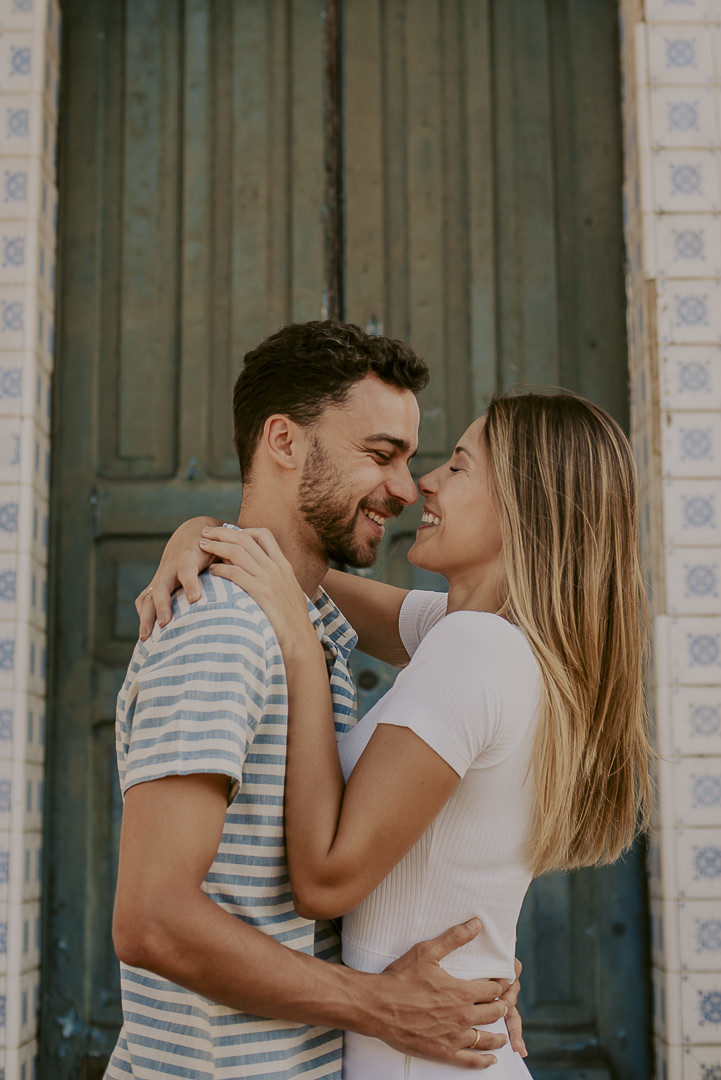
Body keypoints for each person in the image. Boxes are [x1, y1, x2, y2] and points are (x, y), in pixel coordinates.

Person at [142, 389, 652, 1079]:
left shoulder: (474, 649)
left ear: (525, 512)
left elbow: (323, 882)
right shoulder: (487, 638)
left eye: (460, 467)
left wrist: (300, 651)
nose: (423, 486)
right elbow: (293, 577)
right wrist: (201, 532)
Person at [106, 320, 522, 1080]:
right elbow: (152, 921)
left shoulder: (311, 624)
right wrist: (380, 1004)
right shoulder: (221, 631)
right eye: (380, 455)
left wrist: (469, 975)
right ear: (284, 442)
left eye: (417, 460)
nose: (406, 487)